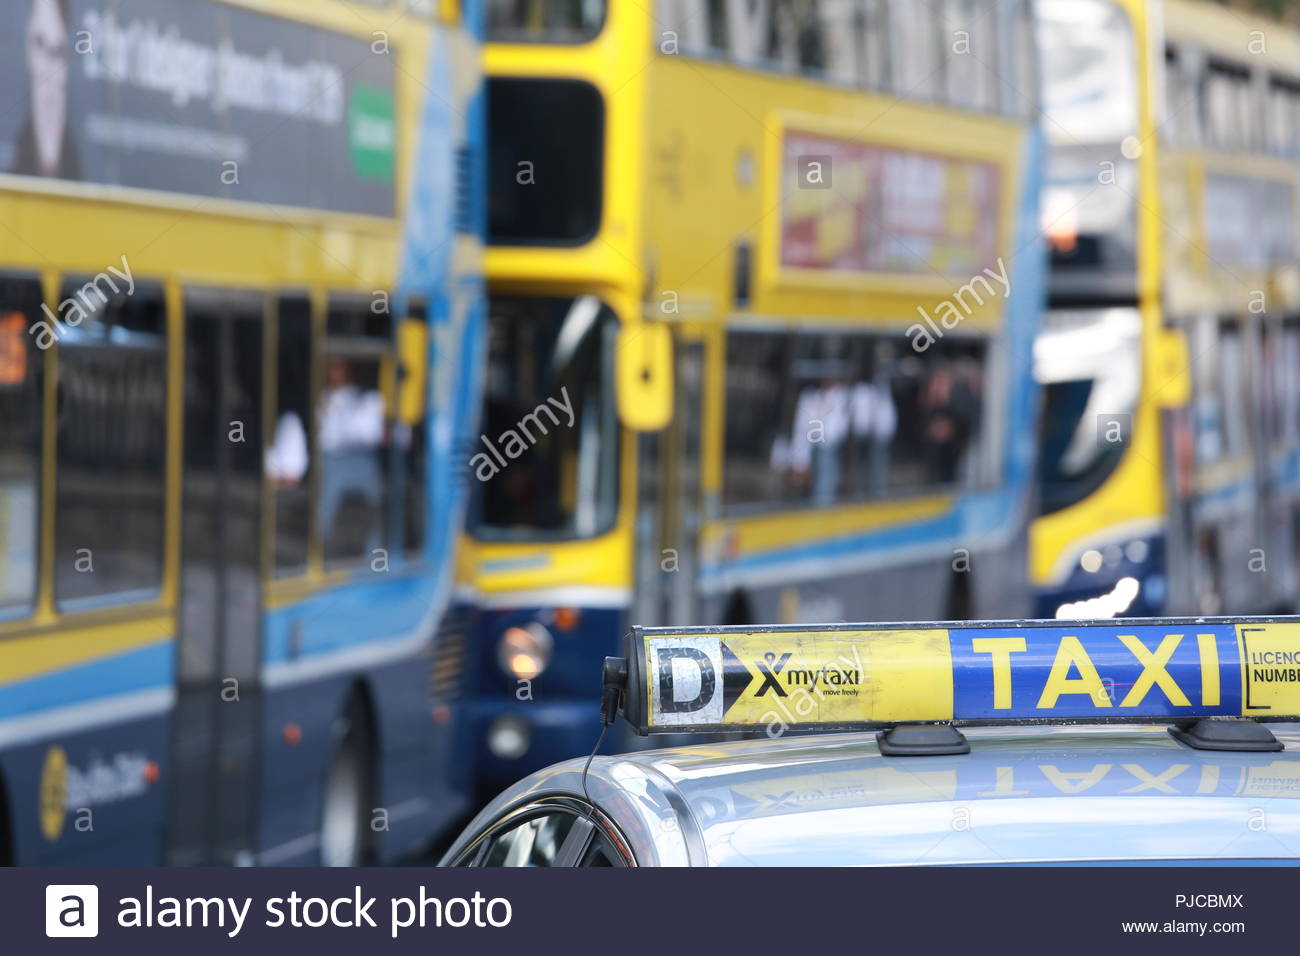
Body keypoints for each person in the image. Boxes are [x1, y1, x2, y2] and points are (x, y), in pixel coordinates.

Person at [11, 0, 79, 180]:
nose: (49, 76)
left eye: (58, 51)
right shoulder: (13, 156)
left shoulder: (77, 169)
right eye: (40, 44)